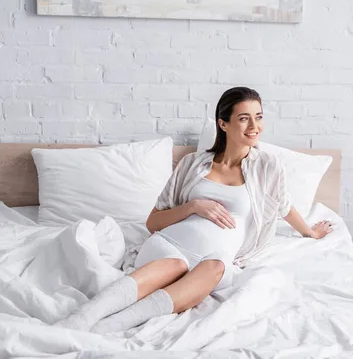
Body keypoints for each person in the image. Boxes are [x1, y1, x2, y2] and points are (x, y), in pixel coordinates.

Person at [54, 86, 333, 334]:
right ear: (223, 124)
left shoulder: (267, 167)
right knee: (174, 265)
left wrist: (309, 231)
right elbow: (153, 221)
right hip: (170, 246)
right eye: (244, 118)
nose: (254, 126)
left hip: (214, 258)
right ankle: (82, 318)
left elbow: (283, 205)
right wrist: (193, 206)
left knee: (214, 269)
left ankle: (115, 324)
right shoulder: (192, 164)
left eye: (258, 117)